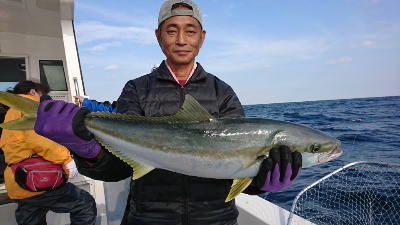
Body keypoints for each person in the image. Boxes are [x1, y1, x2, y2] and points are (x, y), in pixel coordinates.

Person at [33, 1, 302, 224]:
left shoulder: (223, 92)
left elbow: (236, 163)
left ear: (202, 37)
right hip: (148, 219)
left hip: (216, 219)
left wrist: (261, 181)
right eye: (172, 31)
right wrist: (86, 149)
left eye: (190, 31)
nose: (181, 40)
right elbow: (118, 169)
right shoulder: (137, 89)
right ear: (158, 36)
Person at [0, 81, 97, 225]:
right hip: (38, 177)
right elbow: (38, 139)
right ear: (33, 92)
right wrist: (66, 160)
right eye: (43, 95)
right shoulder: (31, 105)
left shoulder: (11, 112)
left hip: (17, 181)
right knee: (85, 205)